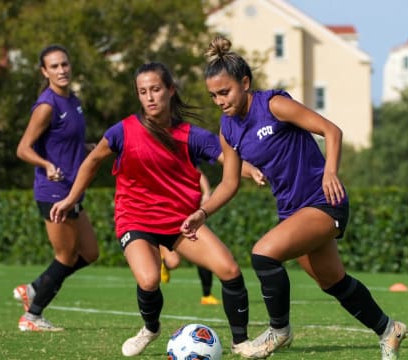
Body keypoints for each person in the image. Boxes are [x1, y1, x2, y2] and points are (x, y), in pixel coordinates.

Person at [181, 35, 408, 360]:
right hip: (293, 212)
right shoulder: (228, 129)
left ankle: (279, 331)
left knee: (263, 255)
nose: (219, 100)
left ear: (245, 83)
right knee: (333, 282)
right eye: (213, 95)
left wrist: (331, 171)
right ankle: (389, 330)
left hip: (324, 200)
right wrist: (202, 213)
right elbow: (229, 183)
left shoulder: (272, 105)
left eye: (225, 91)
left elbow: (332, 131)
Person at [50, 62, 263, 357]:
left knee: (229, 269)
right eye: (143, 92)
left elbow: (231, 162)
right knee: (149, 280)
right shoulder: (123, 131)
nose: (149, 97)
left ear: (170, 90)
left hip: (180, 222)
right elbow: (92, 161)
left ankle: (241, 343)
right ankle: (150, 328)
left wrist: (255, 172)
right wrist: (72, 198)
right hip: (135, 219)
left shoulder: (193, 135)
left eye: (155, 89)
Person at [14, 44, 99, 332]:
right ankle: (32, 316)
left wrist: (98, 150)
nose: (61, 70)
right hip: (53, 193)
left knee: (90, 253)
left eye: (64, 64)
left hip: (73, 190)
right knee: (66, 257)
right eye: (54, 66)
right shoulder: (47, 105)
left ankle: (35, 288)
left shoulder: (73, 100)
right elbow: (23, 149)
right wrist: (46, 165)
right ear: (44, 71)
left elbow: (71, 145)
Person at [159, 170, 221, 306]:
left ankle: (207, 294)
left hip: (188, 213)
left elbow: (198, 172)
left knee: (205, 255)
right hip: (167, 216)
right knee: (173, 262)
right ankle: (163, 259)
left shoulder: (187, 155)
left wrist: (206, 193)